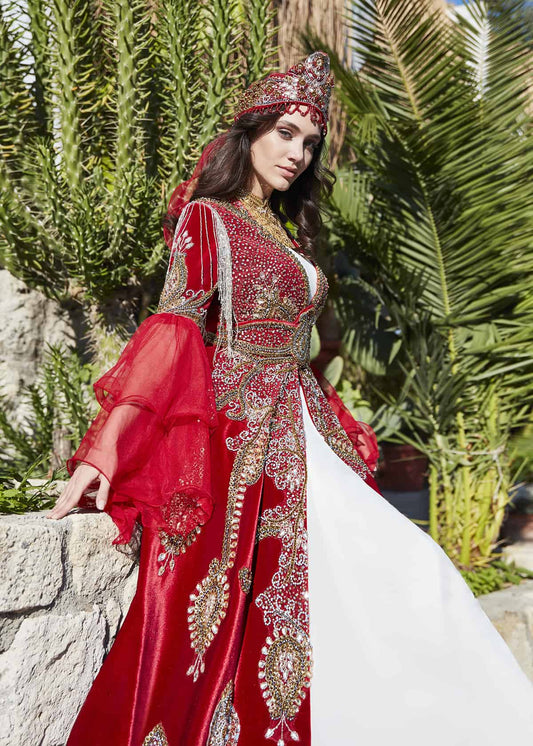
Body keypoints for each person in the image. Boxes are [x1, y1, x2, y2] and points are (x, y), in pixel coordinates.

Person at [48, 52, 533, 746]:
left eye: (309, 142)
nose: (298, 154)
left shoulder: (288, 227)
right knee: (368, 576)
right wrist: (106, 449)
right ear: (249, 132)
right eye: (285, 134)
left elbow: (310, 342)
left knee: (402, 572)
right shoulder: (209, 218)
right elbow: (175, 328)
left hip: (301, 423)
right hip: (245, 434)